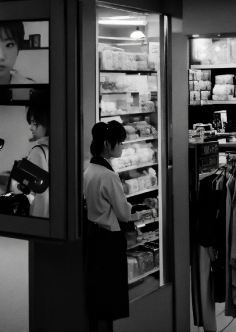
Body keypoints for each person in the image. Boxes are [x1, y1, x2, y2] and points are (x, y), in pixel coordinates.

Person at [84, 121, 141, 332]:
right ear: (108, 144)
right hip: (109, 239)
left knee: (97, 293)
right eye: (121, 143)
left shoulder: (89, 170)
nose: (123, 147)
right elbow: (124, 212)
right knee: (110, 295)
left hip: (95, 234)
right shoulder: (108, 175)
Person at [25, 104, 49, 218]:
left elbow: (41, 194)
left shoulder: (38, 152)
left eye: (34, 123)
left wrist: (38, 222)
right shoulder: (58, 148)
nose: (31, 128)